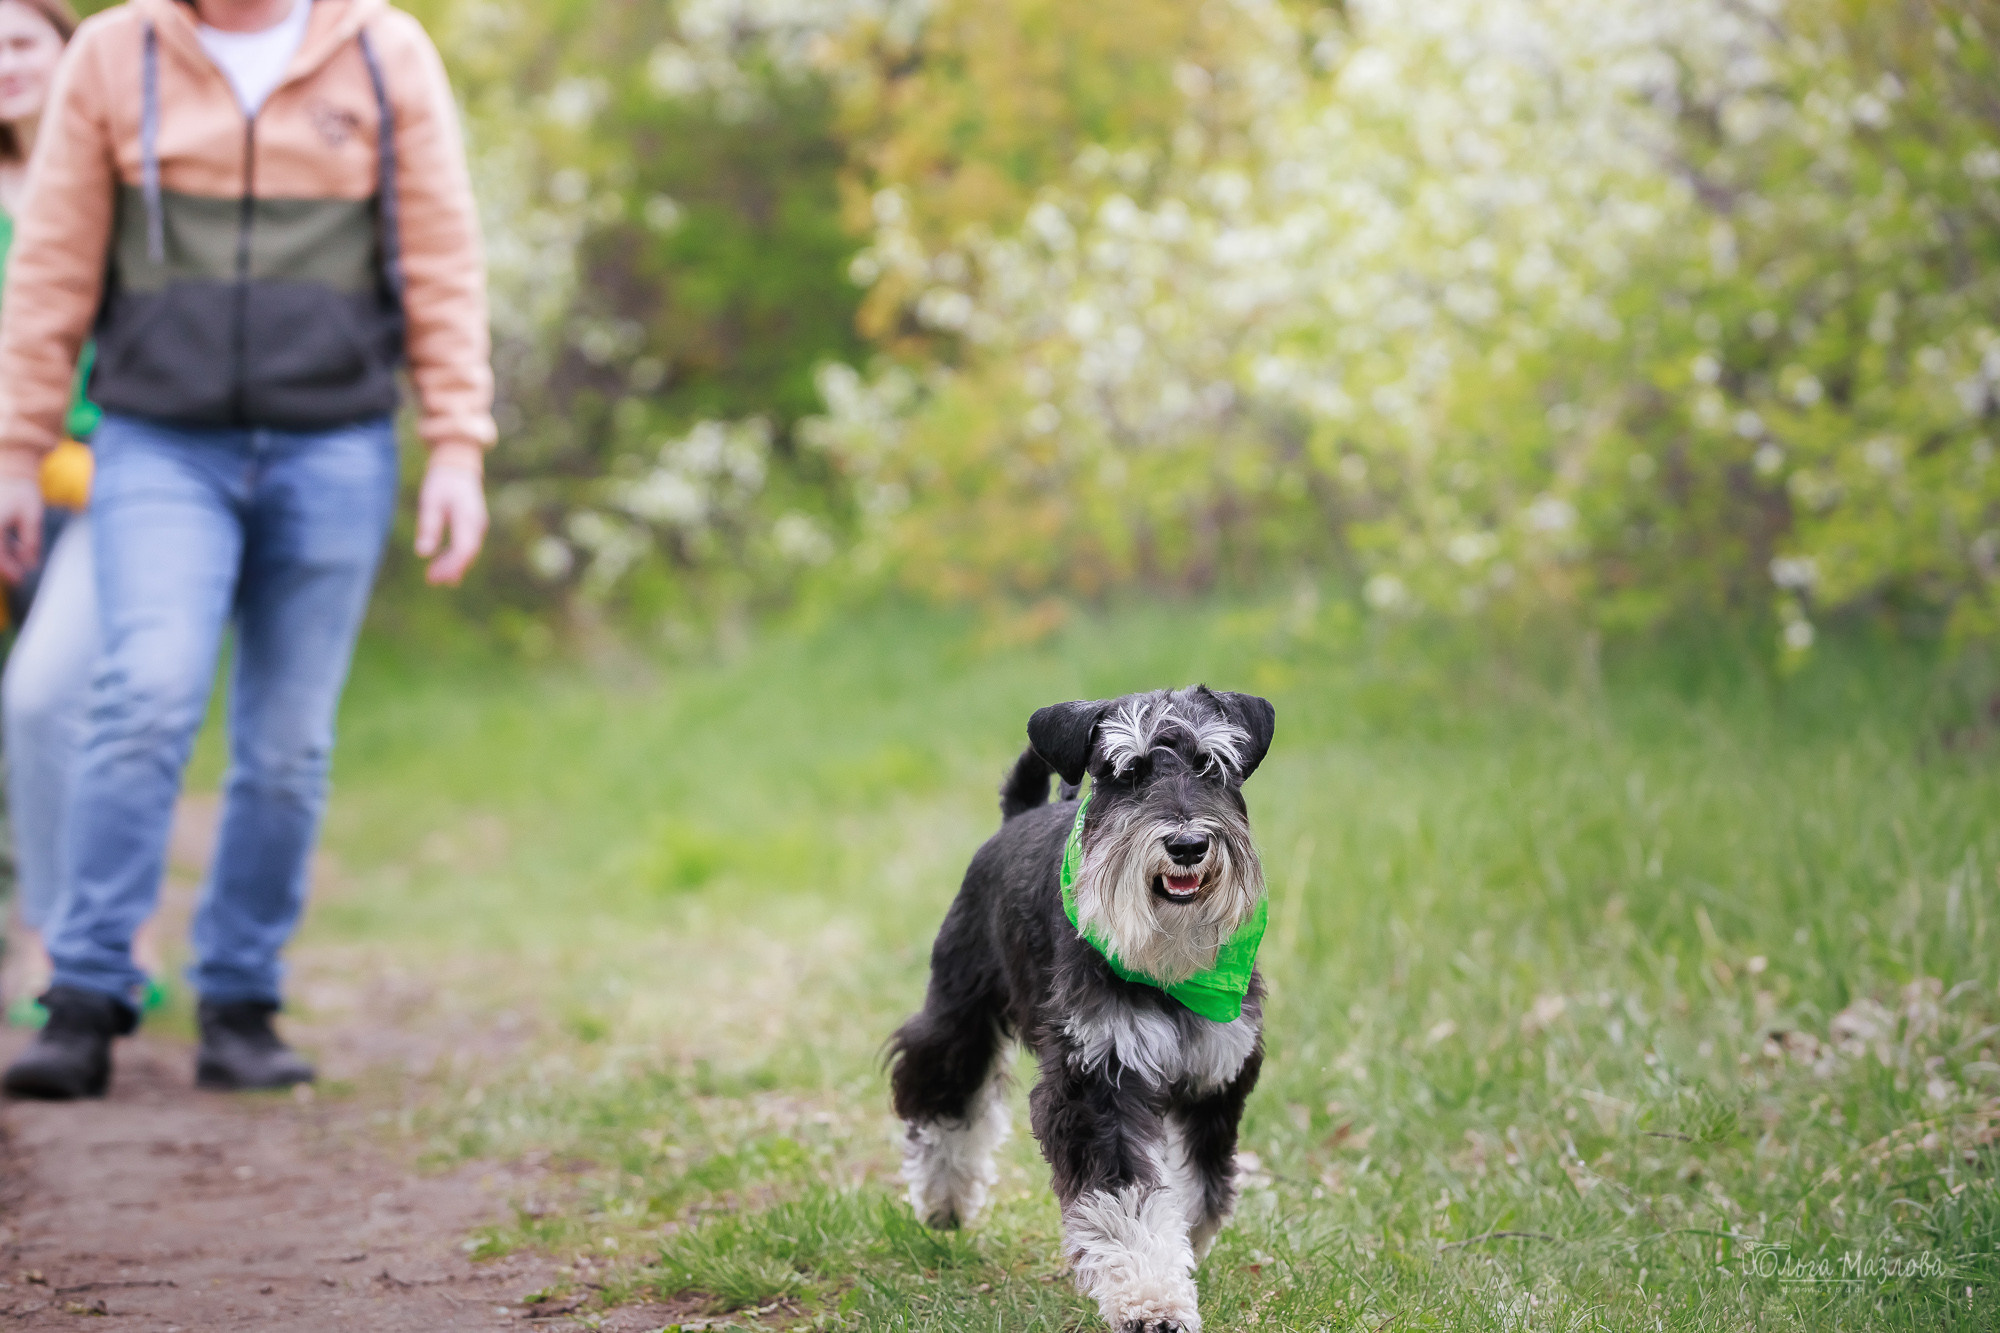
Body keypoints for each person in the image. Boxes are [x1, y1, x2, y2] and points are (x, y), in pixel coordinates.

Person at [0, 0, 493, 1100]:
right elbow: (53, 267)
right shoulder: (113, 53)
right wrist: (15, 448)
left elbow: (443, 260)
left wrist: (457, 443)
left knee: (285, 743)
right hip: (158, 443)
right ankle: (82, 993)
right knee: (145, 694)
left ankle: (241, 998)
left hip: (333, 448)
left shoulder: (380, 50)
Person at [0, 0, 168, 1029]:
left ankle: (92, 937)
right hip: (9, 485)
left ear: (73, 50)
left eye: (19, 43)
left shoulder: (128, 177)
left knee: (78, 703)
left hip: (119, 482)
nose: (2, 68)